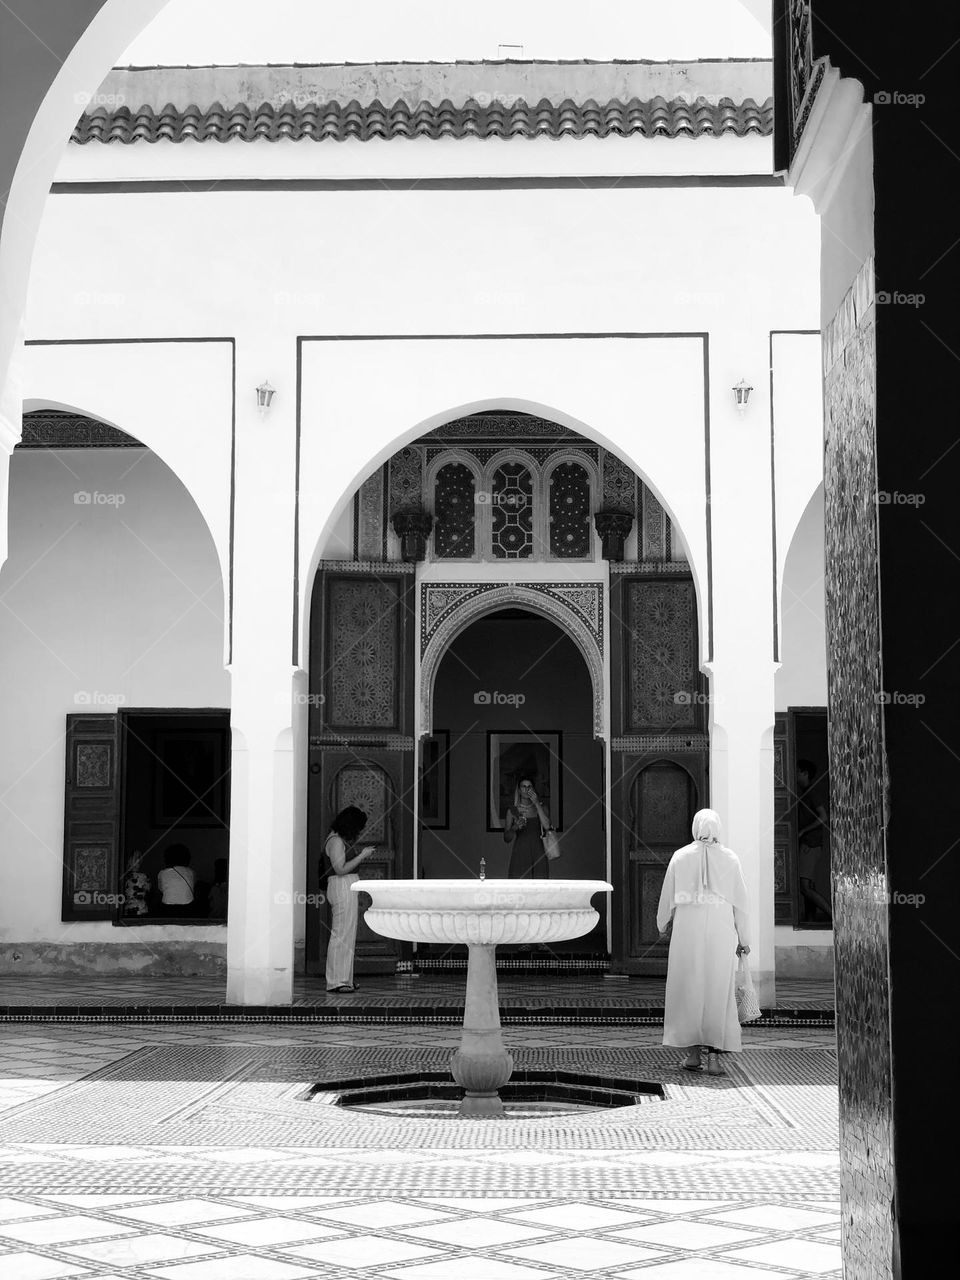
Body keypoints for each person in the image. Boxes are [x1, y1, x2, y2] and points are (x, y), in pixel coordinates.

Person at [656, 808, 751, 1076]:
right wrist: (744, 939)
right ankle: (714, 1060)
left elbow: (667, 898)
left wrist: (662, 923)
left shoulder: (680, 857)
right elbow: (741, 905)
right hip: (721, 934)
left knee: (691, 989)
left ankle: (694, 1056)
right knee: (717, 991)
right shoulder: (730, 859)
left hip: (688, 934)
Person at [322, 806, 376, 993]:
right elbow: (341, 869)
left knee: (347, 933)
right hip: (341, 885)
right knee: (341, 933)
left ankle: (345, 978)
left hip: (346, 886)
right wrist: (362, 856)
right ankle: (336, 981)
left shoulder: (338, 839)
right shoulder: (336, 841)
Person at [796, 758, 832, 924]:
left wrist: (804, 830)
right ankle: (810, 920)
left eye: (797, 771)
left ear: (805, 773)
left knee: (805, 886)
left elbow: (823, 817)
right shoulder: (804, 793)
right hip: (808, 844)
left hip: (811, 844)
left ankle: (833, 915)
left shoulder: (812, 793)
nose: (795, 774)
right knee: (807, 885)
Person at [503, 775, 552, 880]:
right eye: (523, 786)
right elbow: (506, 838)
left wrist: (537, 803)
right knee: (519, 887)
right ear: (519, 790)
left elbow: (547, 826)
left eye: (529, 786)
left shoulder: (542, 807)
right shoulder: (512, 811)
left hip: (538, 852)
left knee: (540, 886)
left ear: (533, 789)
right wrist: (515, 827)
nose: (526, 789)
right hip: (520, 853)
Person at [157, 844, 195, 917]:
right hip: (188, 908)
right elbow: (192, 888)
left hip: (167, 908)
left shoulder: (162, 873)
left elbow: (161, 889)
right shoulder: (191, 872)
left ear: (167, 858)